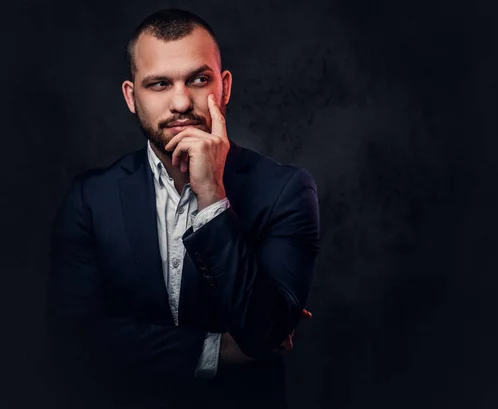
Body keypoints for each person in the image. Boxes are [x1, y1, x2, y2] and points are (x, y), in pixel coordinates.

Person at [45, 8, 320, 409]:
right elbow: (74, 341)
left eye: (198, 79)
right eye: (158, 84)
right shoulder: (90, 198)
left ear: (224, 87)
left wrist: (211, 194)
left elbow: (262, 335)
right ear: (131, 96)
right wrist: (214, 349)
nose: (180, 102)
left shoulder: (286, 190)